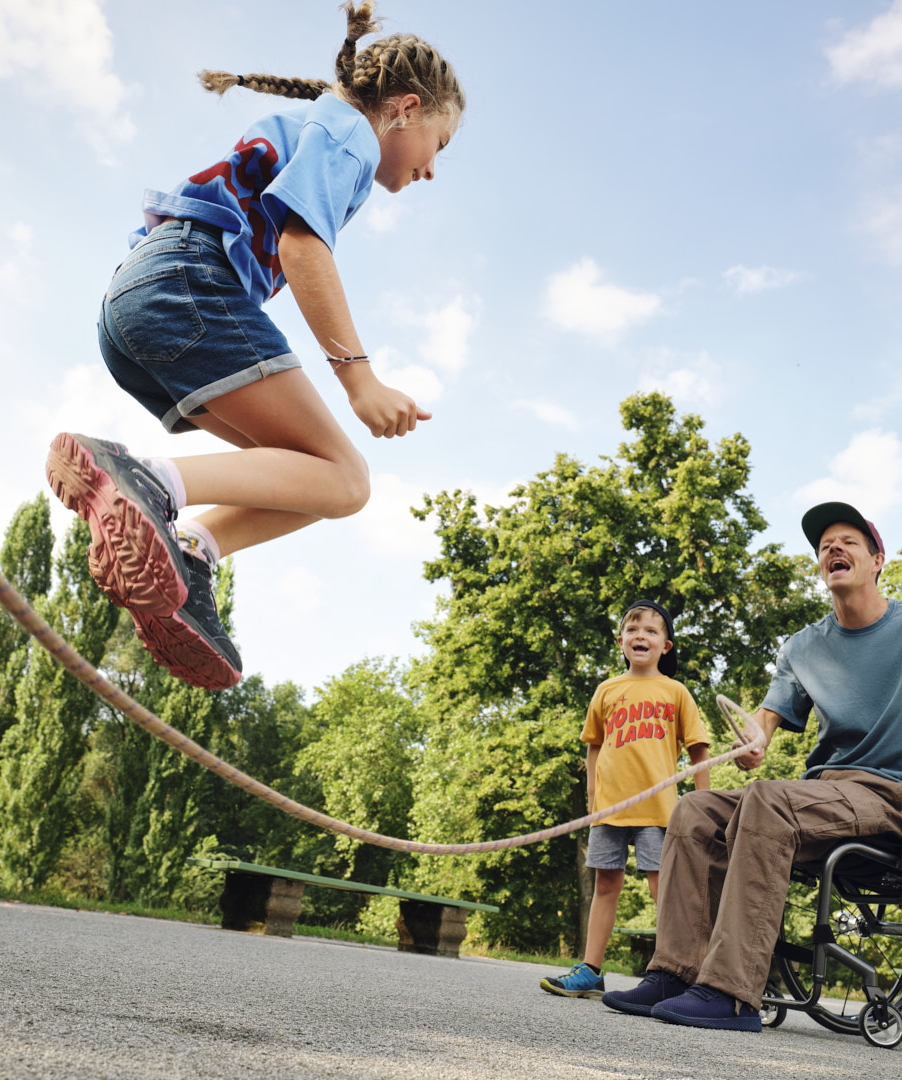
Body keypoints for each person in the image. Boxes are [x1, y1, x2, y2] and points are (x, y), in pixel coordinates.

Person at [45, 2, 463, 689]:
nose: (432, 169)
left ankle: (192, 552)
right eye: (439, 146)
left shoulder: (320, 124)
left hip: (134, 306)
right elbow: (303, 246)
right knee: (348, 478)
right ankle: (148, 480)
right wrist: (361, 381)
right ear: (407, 110)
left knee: (308, 477)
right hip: (187, 285)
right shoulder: (355, 132)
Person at [599, 501, 902, 1031]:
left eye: (848, 541)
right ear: (822, 568)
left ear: (877, 560)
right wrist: (755, 739)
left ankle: (732, 994)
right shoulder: (803, 647)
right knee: (695, 810)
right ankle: (677, 972)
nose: (833, 549)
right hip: (824, 797)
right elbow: (766, 723)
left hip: (895, 800)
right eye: (824, 547)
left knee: (768, 801)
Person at [540, 600, 712, 1000]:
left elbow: (699, 753)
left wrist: (703, 807)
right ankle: (591, 971)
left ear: (666, 646)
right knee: (606, 884)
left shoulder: (676, 692)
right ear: (620, 641)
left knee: (662, 889)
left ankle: (678, 971)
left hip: (658, 812)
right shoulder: (607, 690)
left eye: (651, 631)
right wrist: (593, 798)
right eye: (633, 630)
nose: (641, 636)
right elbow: (595, 747)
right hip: (610, 810)